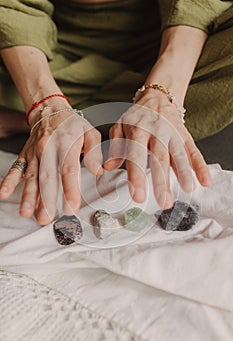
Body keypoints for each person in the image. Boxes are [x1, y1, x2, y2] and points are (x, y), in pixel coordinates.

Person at [0, 0, 232, 225]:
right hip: (48, 49)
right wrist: (46, 104)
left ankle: (71, 118)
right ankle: (73, 115)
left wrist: (162, 94)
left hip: (176, 43)